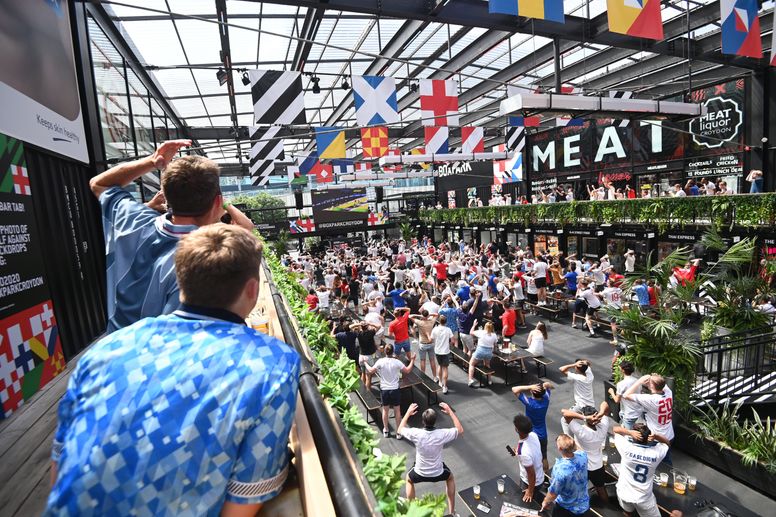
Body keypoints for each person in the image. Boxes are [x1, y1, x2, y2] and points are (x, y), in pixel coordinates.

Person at [46, 225, 299, 515]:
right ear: (253, 289)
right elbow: (243, 502)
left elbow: (60, 465)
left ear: (181, 283)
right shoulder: (274, 363)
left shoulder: (108, 348)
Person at [89, 140, 254, 333]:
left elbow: (99, 183)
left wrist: (152, 161)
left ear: (166, 196)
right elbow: (247, 228)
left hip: (116, 347)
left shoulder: (133, 219)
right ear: (218, 202)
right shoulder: (206, 262)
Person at [399, 402, 463, 515]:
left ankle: (412, 512)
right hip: (438, 472)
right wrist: (450, 412)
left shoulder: (416, 433)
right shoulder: (442, 434)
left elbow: (400, 429)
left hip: (419, 472)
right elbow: (460, 429)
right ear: (435, 421)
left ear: (423, 422)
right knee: (450, 478)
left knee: (409, 479)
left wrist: (408, 413)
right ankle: (452, 513)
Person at [613, 423, 670, 517]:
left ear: (634, 437)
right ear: (648, 438)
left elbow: (615, 429)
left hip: (624, 493)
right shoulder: (656, 453)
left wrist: (629, 432)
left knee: (628, 512)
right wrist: (656, 436)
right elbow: (667, 443)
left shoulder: (626, 448)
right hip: (644, 498)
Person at [563, 403, 611, 503]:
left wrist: (584, 417)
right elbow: (605, 404)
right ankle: (607, 506)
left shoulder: (582, 431)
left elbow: (565, 413)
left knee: (579, 489)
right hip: (598, 466)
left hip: (582, 465)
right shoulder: (603, 427)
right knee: (601, 489)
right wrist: (601, 414)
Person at [366, 344, 416, 438]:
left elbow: (371, 370)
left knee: (385, 410)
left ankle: (386, 430)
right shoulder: (397, 362)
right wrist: (412, 360)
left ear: (385, 351)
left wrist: (365, 363)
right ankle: (398, 431)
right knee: (397, 411)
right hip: (395, 389)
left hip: (384, 390)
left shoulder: (380, 361)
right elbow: (407, 370)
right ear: (393, 352)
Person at [623, 374, 674, 456]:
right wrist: (653, 379)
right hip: (669, 435)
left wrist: (639, 381)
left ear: (652, 386)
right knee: (666, 460)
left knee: (653, 462)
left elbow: (626, 395)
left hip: (655, 438)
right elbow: (661, 383)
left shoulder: (650, 399)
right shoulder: (668, 393)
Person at [540, 434, 590, 516]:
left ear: (559, 448)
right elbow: (579, 449)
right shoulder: (583, 456)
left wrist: (546, 501)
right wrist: (570, 441)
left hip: (567, 508)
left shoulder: (560, 471)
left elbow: (553, 493)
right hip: (583, 504)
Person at [512, 382, 553, 472]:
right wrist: (545, 385)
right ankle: (545, 476)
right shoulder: (546, 399)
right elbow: (550, 386)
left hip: (530, 435)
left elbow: (514, 389)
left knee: (528, 454)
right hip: (543, 434)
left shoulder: (529, 402)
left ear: (532, 391)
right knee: (544, 456)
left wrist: (529, 386)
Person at [512, 414, 545, 503]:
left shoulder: (523, 452)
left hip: (530, 483)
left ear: (517, 430)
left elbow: (531, 474)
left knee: (527, 506)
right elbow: (532, 452)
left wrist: (530, 491)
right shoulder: (533, 435)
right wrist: (518, 452)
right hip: (540, 477)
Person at [559, 359, 595, 434]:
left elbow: (561, 369)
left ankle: (567, 438)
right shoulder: (590, 375)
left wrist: (574, 364)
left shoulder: (577, 377)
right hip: (591, 405)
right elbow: (588, 364)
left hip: (581, 406)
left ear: (577, 367)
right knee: (590, 425)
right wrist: (583, 363)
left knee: (564, 420)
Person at [608, 360, 640, 429]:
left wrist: (611, 392)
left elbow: (617, 400)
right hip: (637, 411)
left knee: (629, 435)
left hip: (629, 413)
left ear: (622, 370)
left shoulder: (621, 384)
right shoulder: (637, 380)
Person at [469, 321, 497, 387]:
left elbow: (471, 332)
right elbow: (495, 344)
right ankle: (489, 380)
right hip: (489, 352)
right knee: (487, 365)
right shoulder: (494, 335)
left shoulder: (481, 332)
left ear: (485, 327)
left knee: (472, 364)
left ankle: (470, 380)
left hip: (480, 351)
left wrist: (473, 325)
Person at [431, 315, 454, 393]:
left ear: (439, 321)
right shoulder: (448, 330)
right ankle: (444, 386)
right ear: (446, 321)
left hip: (437, 351)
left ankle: (440, 382)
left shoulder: (435, 329)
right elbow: (453, 341)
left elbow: (431, 339)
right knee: (445, 368)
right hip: (445, 352)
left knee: (440, 366)